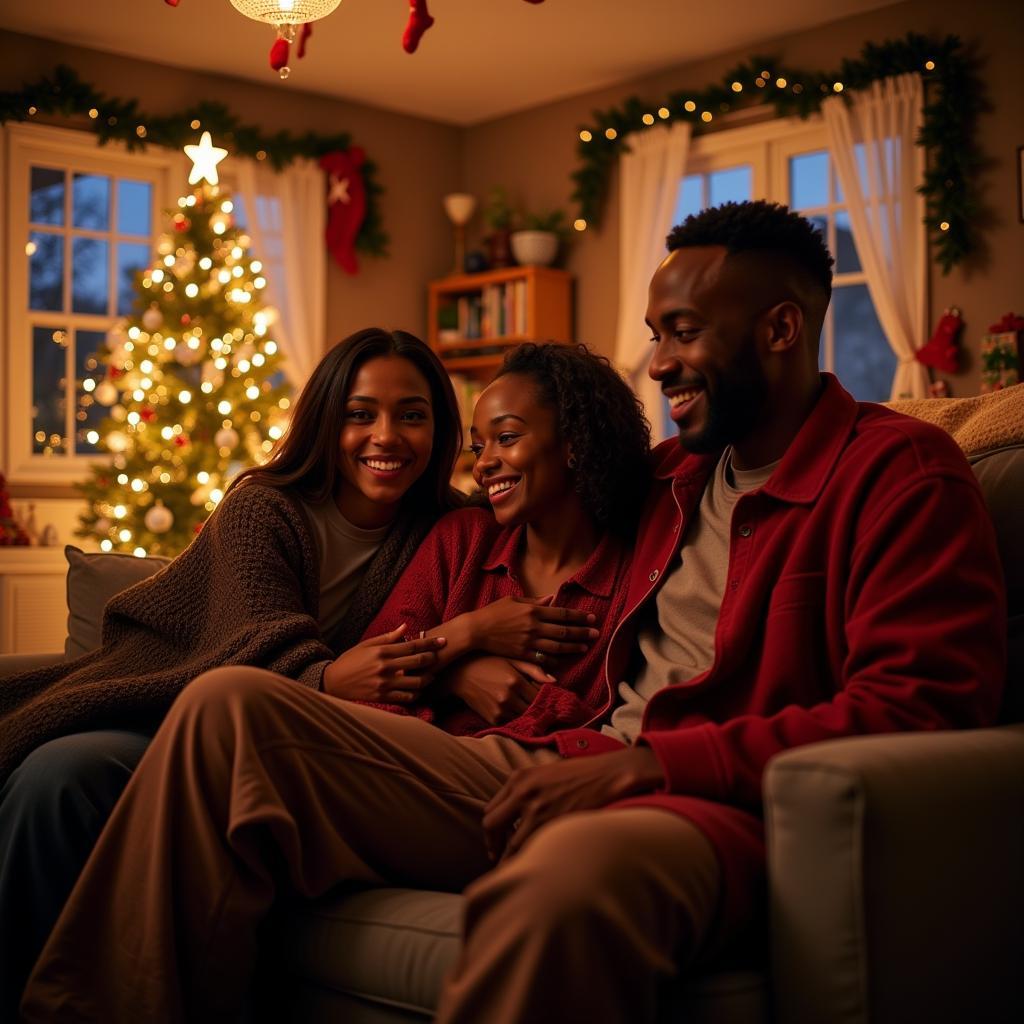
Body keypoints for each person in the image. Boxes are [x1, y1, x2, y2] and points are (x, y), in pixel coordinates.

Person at [21, 202, 1005, 1024]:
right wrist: (460, 656)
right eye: (654, 335)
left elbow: (923, 708)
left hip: (710, 803)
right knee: (230, 708)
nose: (655, 363)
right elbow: (527, 543)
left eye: (681, 332)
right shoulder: (665, 482)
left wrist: (656, 761)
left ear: (780, 329)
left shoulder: (899, 475)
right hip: (559, 757)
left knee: (564, 884)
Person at [0, 327, 467, 1018]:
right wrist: (327, 680)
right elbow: (251, 639)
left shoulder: (452, 528)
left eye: (413, 414)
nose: (387, 436)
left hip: (295, 748)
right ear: (326, 418)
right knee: (59, 776)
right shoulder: (265, 506)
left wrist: (464, 651)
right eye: (360, 413)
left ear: (441, 428)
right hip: (171, 702)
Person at [353, 341, 651, 738]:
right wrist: (457, 668)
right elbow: (364, 688)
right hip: (408, 768)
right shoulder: (463, 539)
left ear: (575, 442)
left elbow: (605, 730)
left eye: (506, 438)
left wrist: (513, 699)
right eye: (478, 447)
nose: (483, 465)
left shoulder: (633, 575)